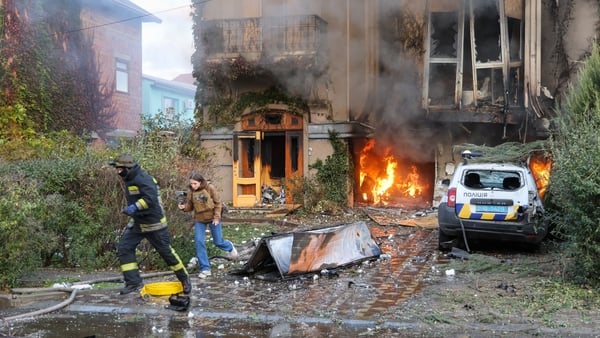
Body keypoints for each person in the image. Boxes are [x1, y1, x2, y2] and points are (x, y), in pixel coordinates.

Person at [109, 154, 191, 295]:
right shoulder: (130, 178)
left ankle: (184, 279)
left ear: (128, 168)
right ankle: (133, 282)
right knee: (124, 248)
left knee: (166, 254)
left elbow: (150, 199)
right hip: (138, 223)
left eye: (120, 169)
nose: (118, 172)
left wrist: (134, 207)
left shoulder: (143, 179)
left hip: (154, 224)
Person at [178, 171, 238, 278]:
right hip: (199, 220)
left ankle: (230, 247)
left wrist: (216, 217)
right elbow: (190, 206)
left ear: (200, 182)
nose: (193, 186)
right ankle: (205, 269)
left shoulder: (210, 188)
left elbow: (218, 203)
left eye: (195, 184)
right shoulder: (191, 191)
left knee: (218, 241)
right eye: (191, 184)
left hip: (213, 218)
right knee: (199, 242)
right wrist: (184, 208)